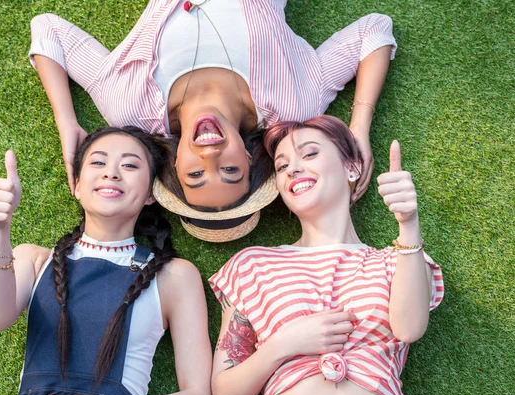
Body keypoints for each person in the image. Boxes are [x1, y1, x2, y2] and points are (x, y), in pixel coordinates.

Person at [28, 1, 396, 229]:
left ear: (175, 163)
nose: (210, 155)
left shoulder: (130, 104)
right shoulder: (293, 102)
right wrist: (358, 127)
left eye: (196, 173)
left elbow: (48, 30)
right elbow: (374, 29)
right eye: (230, 170)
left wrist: (67, 123)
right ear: (250, 158)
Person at [209, 115, 444, 395]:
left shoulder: (397, 261)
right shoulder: (253, 266)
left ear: (352, 167)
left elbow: (409, 329)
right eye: (282, 165)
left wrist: (408, 224)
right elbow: (224, 394)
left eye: (310, 153)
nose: (293, 169)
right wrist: (284, 344)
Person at [0, 127, 211, 395]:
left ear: (151, 193)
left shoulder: (174, 277)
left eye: (129, 165)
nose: (111, 172)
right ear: (76, 185)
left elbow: (198, 393)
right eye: (98, 162)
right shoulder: (34, 260)